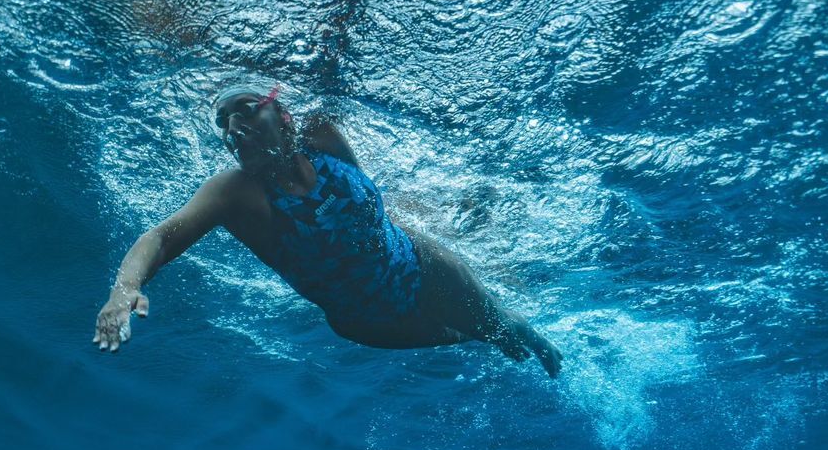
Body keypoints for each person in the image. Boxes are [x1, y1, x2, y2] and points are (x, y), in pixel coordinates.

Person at [94, 86, 563, 377]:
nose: (233, 126)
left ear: (283, 115)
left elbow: (368, 199)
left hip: (423, 265)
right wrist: (124, 289)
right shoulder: (234, 194)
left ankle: (570, 369)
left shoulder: (325, 135)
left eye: (245, 109)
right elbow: (159, 236)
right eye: (224, 124)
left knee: (510, 331)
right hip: (372, 324)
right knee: (483, 340)